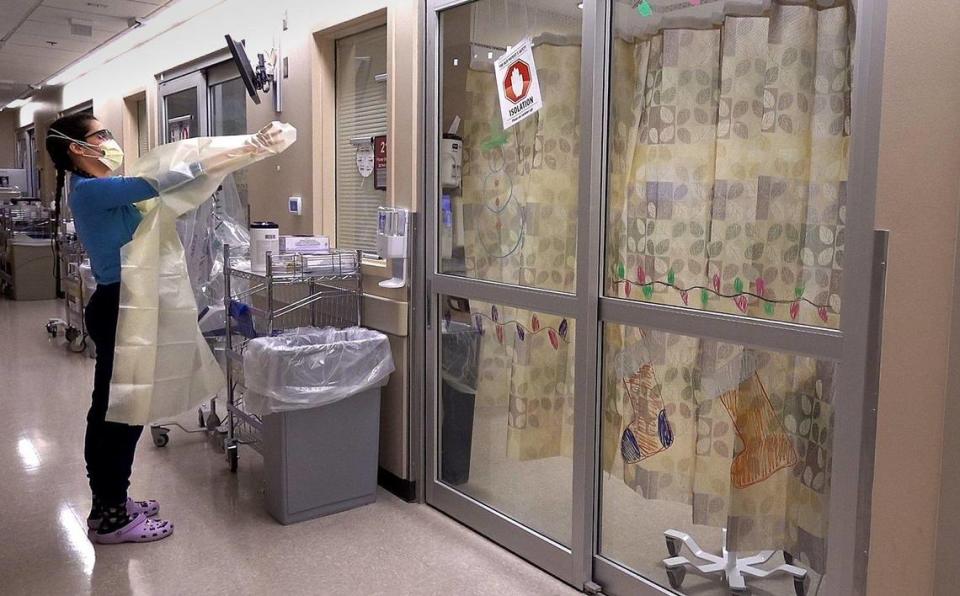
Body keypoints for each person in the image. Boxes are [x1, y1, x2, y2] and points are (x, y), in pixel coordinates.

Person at [45, 114, 287, 544]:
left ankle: (111, 501)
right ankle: (111, 516)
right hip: (121, 307)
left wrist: (242, 151)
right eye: (100, 135)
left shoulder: (98, 190)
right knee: (121, 411)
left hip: (126, 304)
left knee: (118, 409)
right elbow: (169, 180)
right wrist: (245, 147)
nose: (109, 140)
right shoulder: (92, 192)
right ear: (77, 149)